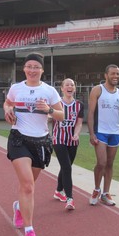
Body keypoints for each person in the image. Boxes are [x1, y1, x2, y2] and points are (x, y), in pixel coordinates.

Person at [4, 52, 64, 236]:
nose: (32, 70)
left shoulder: (49, 91)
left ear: (42, 70)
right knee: (28, 185)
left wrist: (48, 110)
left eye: (36, 67)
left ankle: (18, 207)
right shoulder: (16, 88)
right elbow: (8, 103)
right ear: (24, 69)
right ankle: (30, 232)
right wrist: (7, 110)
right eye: (29, 66)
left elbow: (61, 115)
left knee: (28, 185)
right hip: (19, 139)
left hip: (40, 143)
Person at [87, 64, 119, 206]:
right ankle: (96, 189)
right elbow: (90, 113)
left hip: (115, 133)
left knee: (109, 164)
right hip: (100, 132)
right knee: (101, 162)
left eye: (118, 74)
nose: (116, 76)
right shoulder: (97, 90)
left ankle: (106, 193)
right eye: (113, 73)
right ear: (106, 75)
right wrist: (91, 134)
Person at [52, 78, 84, 211]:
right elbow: (49, 117)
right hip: (58, 139)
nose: (69, 87)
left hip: (73, 141)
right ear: (62, 88)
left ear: (74, 88)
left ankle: (58, 191)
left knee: (66, 166)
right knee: (67, 168)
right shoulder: (56, 103)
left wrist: (76, 133)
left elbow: (79, 122)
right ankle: (70, 198)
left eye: (72, 85)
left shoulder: (79, 105)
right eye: (67, 85)